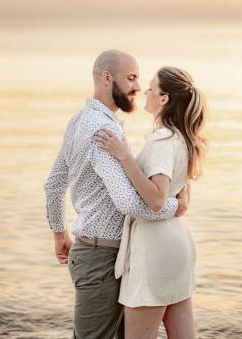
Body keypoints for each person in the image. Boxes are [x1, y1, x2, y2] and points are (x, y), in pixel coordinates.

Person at [44, 50, 188, 339]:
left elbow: (54, 184)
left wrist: (60, 234)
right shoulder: (103, 130)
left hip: (104, 254)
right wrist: (176, 206)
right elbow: (129, 204)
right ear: (107, 78)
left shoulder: (79, 121)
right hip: (101, 258)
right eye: (131, 78)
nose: (138, 87)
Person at [95, 66, 207, 339]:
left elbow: (157, 198)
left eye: (151, 89)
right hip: (176, 244)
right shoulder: (183, 138)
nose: (145, 92)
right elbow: (179, 194)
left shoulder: (162, 140)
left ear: (164, 99)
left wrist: (124, 156)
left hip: (154, 249)